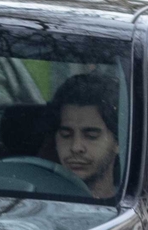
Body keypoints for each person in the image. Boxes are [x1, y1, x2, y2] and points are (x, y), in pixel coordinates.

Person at [48, 72, 122, 200]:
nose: (76, 147)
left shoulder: (132, 207)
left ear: (118, 142)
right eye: (66, 135)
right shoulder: (32, 198)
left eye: (91, 136)